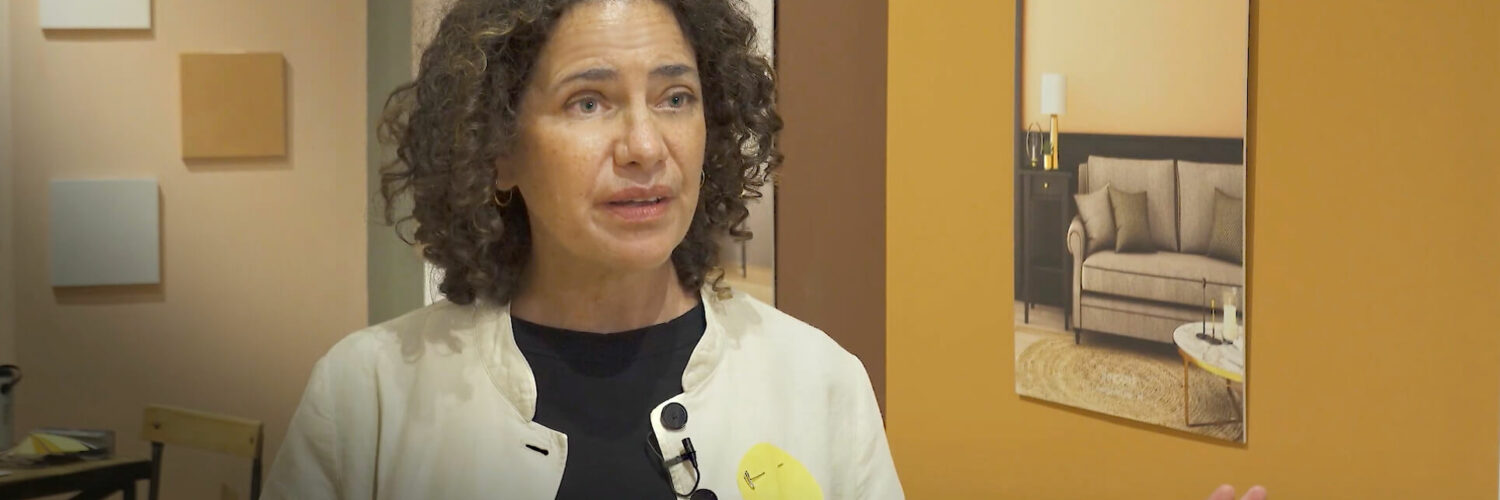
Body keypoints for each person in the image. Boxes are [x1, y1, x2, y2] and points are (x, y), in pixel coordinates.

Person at [262, 0, 1267, 498]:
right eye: (588, 101)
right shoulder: (370, 400)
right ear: (495, 152)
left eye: (676, 96)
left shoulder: (817, 381)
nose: (646, 145)